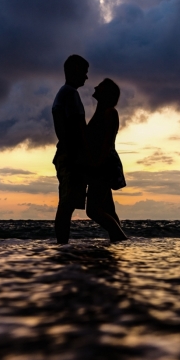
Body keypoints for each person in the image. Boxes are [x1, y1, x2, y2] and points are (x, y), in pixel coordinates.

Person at [51, 55, 89, 244]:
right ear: (74, 71)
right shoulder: (70, 94)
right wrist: (82, 153)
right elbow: (77, 126)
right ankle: (62, 245)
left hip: (66, 153)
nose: (86, 77)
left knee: (66, 204)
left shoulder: (63, 93)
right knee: (66, 205)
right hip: (72, 155)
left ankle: (62, 245)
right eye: (84, 72)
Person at [85, 78, 128, 242]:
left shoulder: (110, 112)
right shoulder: (101, 112)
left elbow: (107, 142)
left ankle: (121, 239)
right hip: (100, 164)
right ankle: (118, 243)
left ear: (106, 93)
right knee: (108, 209)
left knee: (93, 210)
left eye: (100, 86)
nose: (96, 86)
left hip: (103, 165)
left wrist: (97, 165)